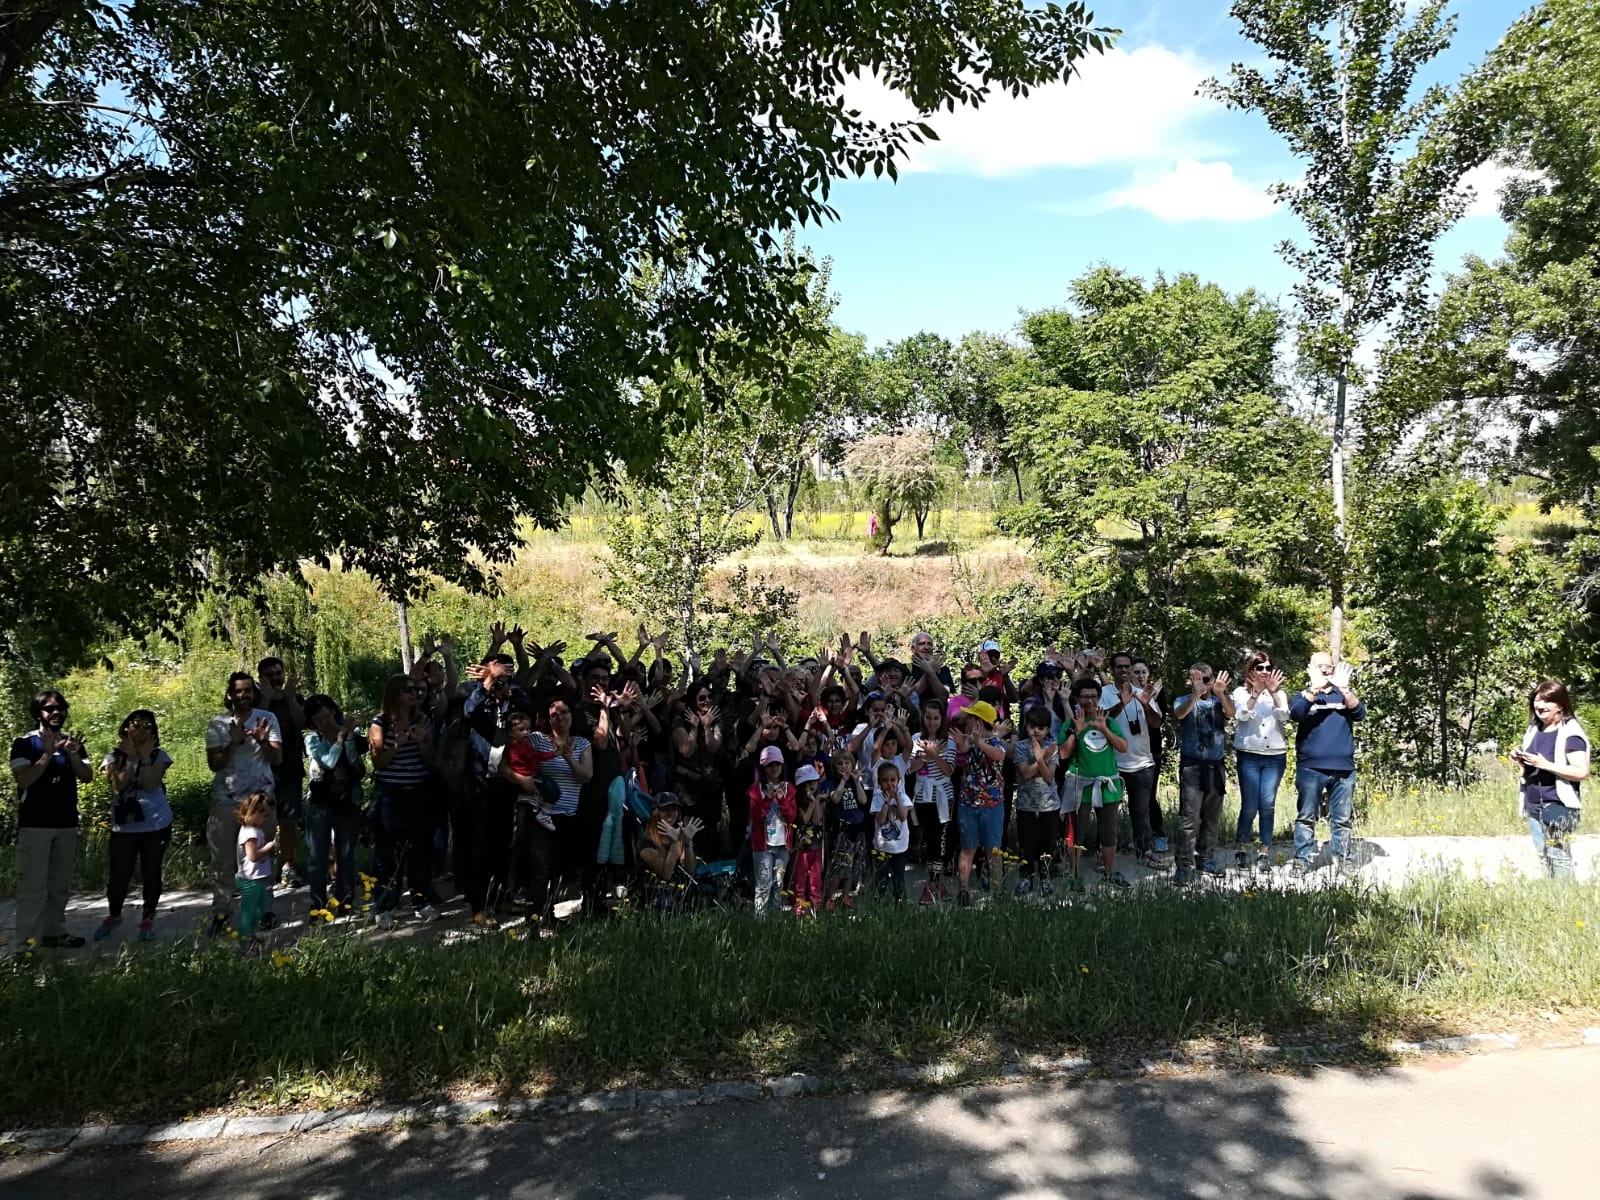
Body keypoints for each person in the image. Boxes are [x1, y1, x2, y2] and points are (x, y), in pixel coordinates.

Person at [10, 690, 92, 949]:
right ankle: (27, 945)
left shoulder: (71, 742)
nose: (56, 713)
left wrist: (72, 754)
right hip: (35, 825)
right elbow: (24, 780)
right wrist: (46, 754)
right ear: (39, 713)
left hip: (66, 823)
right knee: (33, 888)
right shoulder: (25, 743)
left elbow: (87, 776)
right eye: (49, 708)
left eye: (60, 708)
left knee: (59, 885)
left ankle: (54, 933)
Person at [205, 672, 282, 936]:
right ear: (229, 695)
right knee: (224, 861)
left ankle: (265, 910)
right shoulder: (217, 724)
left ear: (254, 693)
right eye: (238, 691)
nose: (243, 695)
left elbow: (277, 758)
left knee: (262, 859)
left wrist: (261, 740)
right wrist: (232, 742)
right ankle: (222, 912)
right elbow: (214, 764)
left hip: (260, 802)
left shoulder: (267, 719)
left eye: (247, 690)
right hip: (226, 802)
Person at [95, 710, 174, 942]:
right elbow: (119, 786)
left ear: (153, 731)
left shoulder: (160, 756)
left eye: (146, 726)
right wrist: (130, 759)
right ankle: (114, 915)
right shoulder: (113, 757)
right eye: (135, 724)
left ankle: (148, 918)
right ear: (126, 728)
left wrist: (146, 758)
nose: (139, 730)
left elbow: (150, 783)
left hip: (156, 823)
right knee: (119, 874)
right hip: (124, 826)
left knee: (151, 871)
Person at [369, 673, 441, 921]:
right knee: (389, 852)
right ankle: (385, 905)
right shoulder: (379, 724)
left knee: (420, 850)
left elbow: (430, 758)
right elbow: (378, 762)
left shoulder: (423, 720)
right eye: (407, 690)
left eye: (415, 689)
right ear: (394, 694)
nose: (414, 694)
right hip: (391, 794)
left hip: (419, 791)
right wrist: (397, 745)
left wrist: (421, 743)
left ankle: (420, 902)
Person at [1288, 653, 1365, 873]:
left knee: (1342, 820)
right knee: (1306, 817)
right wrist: (1315, 690)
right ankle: (1302, 861)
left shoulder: (1343, 695)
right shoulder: (1303, 695)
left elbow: (1360, 714)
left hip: (1344, 769)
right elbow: (1296, 714)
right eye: (1320, 666)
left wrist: (1345, 690)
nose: (1325, 670)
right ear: (1311, 669)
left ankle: (1344, 861)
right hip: (1310, 768)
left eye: (1329, 667)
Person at [1511, 679, 1589, 880]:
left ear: (1560, 705)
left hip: (1558, 804)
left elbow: (1581, 772)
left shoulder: (1571, 733)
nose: (1540, 705)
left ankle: (1565, 904)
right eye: (1537, 700)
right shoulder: (1534, 729)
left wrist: (1545, 764)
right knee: (1543, 856)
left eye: (1547, 701)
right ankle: (1551, 901)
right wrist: (1523, 760)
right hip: (1534, 803)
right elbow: (1535, 765)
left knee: (1559, 855)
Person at [1060, 678, 1130, 889]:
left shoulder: (1108, 721)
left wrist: (1104, 729)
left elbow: (1123, 747)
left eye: (1093, 696)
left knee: (1109, 832)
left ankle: (1109, 873)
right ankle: (1074, 875)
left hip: (1107, 785)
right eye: (1084, 697)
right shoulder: (1069, 724)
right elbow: (1063, 754)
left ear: (1099, 698)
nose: (1089, 701)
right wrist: (1077, 732)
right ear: (1076, 699)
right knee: (1076, 833)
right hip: (1079, 786)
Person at [302, 694, 366, 915]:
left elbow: (357, 766)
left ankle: (345, 900)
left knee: (346, 855)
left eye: (328, 715)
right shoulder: (312, 739)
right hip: (320, 803)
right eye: (319, 719)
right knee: (317, 857)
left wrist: (348, 739)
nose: (326, 722)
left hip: (348, 801)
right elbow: (327, 762)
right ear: (312, 722)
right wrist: (340, 738)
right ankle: (318, 904)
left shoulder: (352, 734)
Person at [1172, 663, 1233, 885]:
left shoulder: (1218, 700)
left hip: (1216, 766)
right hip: (1193, 767)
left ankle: (1205, 857)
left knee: (1211, 817)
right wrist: (1195, 695)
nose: (1204, 684)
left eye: (1207, 679)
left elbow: (1231, 713)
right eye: (1199, 680)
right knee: (1189, 818)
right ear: (1190, 681)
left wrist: (1221, 693)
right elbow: (1180, 715)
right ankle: (1183, 864)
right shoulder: (1183, 700)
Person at [1231, 651, 1290, 872]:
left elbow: (1284, 716)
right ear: (1251, 671)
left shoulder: (1279, 694)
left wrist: (1273, 694)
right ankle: (1242, 847)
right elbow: (1242, 716)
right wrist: (1255, 694)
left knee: (1267, 804)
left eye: (1268, 668)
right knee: (1249, 805)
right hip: (1249, 755)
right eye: (1260, 668)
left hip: (1274, 756)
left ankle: (1264, 851)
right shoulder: (1240, 692)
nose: (1264, 672)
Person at [1102, 653, 1161, 867]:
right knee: (1109, 812)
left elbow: (1156, 723)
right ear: (1113, 669)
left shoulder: (1141, 693)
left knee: (1141, 811)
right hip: (1113, 763)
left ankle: (1145, 851)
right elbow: (1102, 722)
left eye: (1127, 667)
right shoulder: (1104, 693)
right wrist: (1121, 704)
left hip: (1142, 763)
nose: (1124, 671)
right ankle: (1106, 855)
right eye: (1120, 667)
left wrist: (1145, 705)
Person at [256, 656, 307, 888]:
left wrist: (289, 699)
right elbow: (256, 725)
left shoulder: (294, 697)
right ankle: (258, 866)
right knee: (259, 820)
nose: (276, 678)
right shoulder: (256, 699)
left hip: (291, 768)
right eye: (270, 675)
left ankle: (288, 866)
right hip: (263, 769)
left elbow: (301, 722)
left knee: (288, 820)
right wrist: (267, 698)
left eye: (278, 673)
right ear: (261, 679)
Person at [951, 700, 1007, 905]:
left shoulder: (996, 741)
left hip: (992, 806)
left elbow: (999, 755)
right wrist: (961, 741)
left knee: (993, 851)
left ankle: (997, 890)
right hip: (968, 805)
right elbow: (964, 748)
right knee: (968, 849)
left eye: (971, 718)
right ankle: (963, 890)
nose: (966, 721)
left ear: (979, 722)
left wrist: (979, 742)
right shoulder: (970, 739)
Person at [909, 702, 956, 903]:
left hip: (943, 796)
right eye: (928, 718)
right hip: (922, 796)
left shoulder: (950, 742)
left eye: (936, 718)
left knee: (941, 840)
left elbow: (949, 770)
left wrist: (935, 755)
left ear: (942, 720)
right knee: (929, 840)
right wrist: (927, 757)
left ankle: (933, 884)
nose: (932, 722)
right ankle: (936, 883)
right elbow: (910, 768)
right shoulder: (915, 740)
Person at [1013, 703, 1062, 895]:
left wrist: (1041, 759)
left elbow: (1049, 776)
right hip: (1026, 806)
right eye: (1032, 727)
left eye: (1040, 728)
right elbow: (1025, 773)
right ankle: (1026, 877)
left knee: (1047, 844)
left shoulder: (1052, 747)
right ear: (1026, 727)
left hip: (1049, 806)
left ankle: (1045, 878)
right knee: (1027, 844)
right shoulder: (1020, 747)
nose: (1036, 731)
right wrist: (1042, 760)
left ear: (1048, 729)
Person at [748, 746, 795, 916]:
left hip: (782, 843)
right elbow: (755, 816)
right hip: (763, 845)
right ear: (763, 767)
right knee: (763, 884)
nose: (774, 768)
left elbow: (791, 816)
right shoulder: (756, 789)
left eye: (777, 764)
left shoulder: (788, 788)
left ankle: (775, 919)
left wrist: (782, 800)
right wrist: (767, 799)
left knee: (778, 882)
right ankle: (760, 919)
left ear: (782, 766)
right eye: (770, 765)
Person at [1129, 658, 1168, 851]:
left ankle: (1158, 834)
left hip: (1152, 751)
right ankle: (1138, 837)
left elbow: (1159, 721)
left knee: (1149, 796)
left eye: (1143, 672)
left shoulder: (1158, 694)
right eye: (1136, 673)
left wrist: (1151, 699)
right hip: (1130, 752)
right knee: (1133, 799)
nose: (1141, 676)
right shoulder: (1124, 694)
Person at [234, 790, 277, 950]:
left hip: (256, 878)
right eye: (264, 815)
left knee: (261, 906)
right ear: (252, 812)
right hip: (249, 880)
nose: (266, 819)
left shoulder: (253, 829)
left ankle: (251, 935)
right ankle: (245, 942)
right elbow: (253, 856)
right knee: (249, 911)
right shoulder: (250, 833)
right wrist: (269, 846)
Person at [636, 792, 703, 890]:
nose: (671, 814)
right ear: (656, 813)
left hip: (676, 891)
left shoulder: (679, 834)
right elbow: (666, 874)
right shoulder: (645, 841)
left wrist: (687, 842)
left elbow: (690, 869)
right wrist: (675, 841)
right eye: (665, 810)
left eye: (674, 809)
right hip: (651, 893)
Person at [871, 759, 912, 901]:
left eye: (893, 780)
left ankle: (900, 904)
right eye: (885, 780)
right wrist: (887, 802)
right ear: (879, 783)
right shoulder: (877, 799)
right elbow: (881, 820)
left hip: (899, 847)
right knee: (881, 879)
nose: (889, 784)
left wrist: (898, 799)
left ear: (899, 780)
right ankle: (880, 904)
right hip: (882, 846)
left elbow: (903, 816)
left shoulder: (904, 797)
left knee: (898, 878)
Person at [792, 764, 826, 914]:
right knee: (800, 880)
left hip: (817, 848)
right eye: (807, 783)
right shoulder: (798, 805)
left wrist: (816, 801)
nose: (811, 785)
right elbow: (805, 819)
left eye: (813, 781)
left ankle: (816, 907)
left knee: (815, 880)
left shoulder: (820, 800)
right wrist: (812, 802)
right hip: (801, 849)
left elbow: (817, 818)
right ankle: (799, 908)